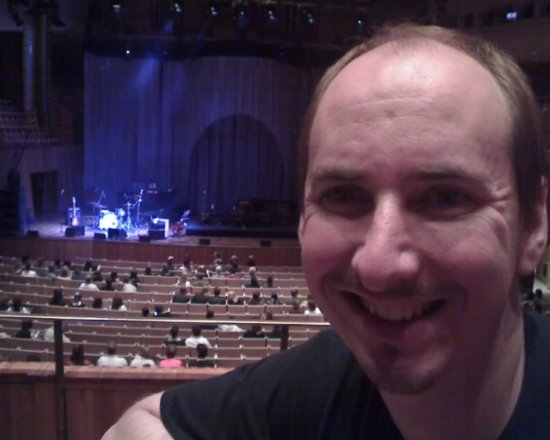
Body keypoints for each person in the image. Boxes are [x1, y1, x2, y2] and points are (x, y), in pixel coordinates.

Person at [103, 24, 550, 439]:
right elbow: (138, 425)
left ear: (534, 225)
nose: (379, 265)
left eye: (446, 198)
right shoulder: (315, 382)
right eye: (343, 196)